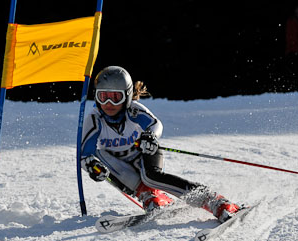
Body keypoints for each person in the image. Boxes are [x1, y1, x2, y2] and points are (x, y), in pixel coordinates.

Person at [80, 66, 240, 223]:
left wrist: (150, 136)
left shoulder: (133, 111)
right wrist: (91, 167)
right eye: (103, 97)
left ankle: (215, 201)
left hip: (144, 151)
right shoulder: (94, 120)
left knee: (151, 177)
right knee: (102, 158)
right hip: (120, 163)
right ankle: (150, 196)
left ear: (127, 96)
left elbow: (156, 124)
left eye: (115, 98)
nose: (108, 103)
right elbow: (84, 155)